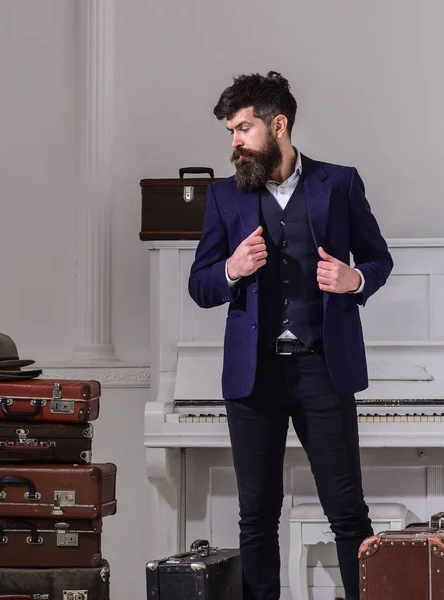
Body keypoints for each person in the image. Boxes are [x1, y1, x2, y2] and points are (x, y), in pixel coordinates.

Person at [188, 71, 393, 600]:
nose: (234, 142)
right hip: (253, 378)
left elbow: (378, 256)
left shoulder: (340, 182)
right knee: (256, 517)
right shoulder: (223, 197)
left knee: (348, 511)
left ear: (278, 125)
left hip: (322, 369)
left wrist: (357, 280)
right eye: (230, 131)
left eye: (242, 129)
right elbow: (200, 284)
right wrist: (231, 268)